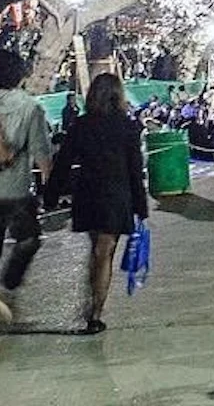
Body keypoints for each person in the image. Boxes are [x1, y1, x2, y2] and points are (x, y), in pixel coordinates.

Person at [44, 73, 147, 334]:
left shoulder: (81, 125)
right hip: (116, 195)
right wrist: (141, 206)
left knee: (97, 249)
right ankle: (95, 312)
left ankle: (92, 303)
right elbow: (136, 170)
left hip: (88, 194)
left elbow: (63, 163)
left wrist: (51, 195)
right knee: (105, 252)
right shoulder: (128, 126)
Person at [0, 49, 53, 333]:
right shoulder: (32, 107)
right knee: (29, 239)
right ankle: (10, 283)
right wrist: (50, 190)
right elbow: (42, 153)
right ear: (20, 75)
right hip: (17, 191)